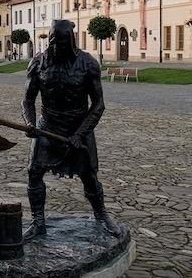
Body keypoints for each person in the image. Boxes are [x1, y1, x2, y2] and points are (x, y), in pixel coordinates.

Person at [21, 19, 121, 242]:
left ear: (72, 41)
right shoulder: (38, 63)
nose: (58, 47)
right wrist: (30, 122)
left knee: (89, 175)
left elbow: (98, 104)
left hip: (79, 128)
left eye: (63, 43)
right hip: (47, 126)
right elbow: (28, 99)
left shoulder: (88, 64)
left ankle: (101, 215)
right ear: (50, 39)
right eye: (55, 42)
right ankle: (38, 222)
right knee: (34, 171)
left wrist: (80, 133)